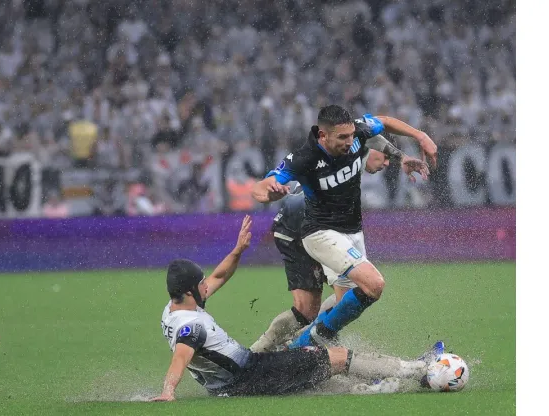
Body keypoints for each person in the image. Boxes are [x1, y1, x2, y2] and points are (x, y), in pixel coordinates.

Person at [151, 216, 435, 400]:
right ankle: (417, 370)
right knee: (336, 357)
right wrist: (168, 391)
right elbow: (181, 355)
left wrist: (238, 250)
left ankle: (374, 383)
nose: (207, 286)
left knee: (310, 371)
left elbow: (219, 276)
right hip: (249, 378)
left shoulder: (175, 306)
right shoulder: (190, 327)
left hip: (239, 377)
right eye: (202, 284)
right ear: (189, 292)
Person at [251, 105, 435, 349]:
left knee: (344, 303)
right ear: (322, 135)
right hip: (319, 231)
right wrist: (271, 194)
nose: (351, 142)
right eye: (342, 138)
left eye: (351, 136)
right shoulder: (305, 158)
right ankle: (299, 347)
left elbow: (384, 121)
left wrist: (419, 136)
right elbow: (261, 188)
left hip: (351, 231)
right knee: (373, 284)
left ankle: (299, 346)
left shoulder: (356, 133)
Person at [250, 148, 392, 352]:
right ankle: (262, 355)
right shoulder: (348, 156)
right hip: (298, 226)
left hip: (306, 223)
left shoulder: (343, 155)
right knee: (314, 307)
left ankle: (297, 345)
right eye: (385, 157)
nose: (386, 164)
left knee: (317, 307)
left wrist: (406, 153)